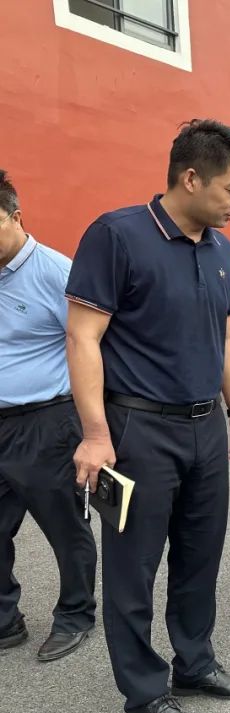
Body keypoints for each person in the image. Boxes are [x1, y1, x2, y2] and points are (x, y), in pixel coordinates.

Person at [66, 120, 230, 713]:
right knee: (133, 566)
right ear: (190, 177)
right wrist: (96, 434)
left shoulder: (222, 249)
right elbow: (83, 337)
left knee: (201, 553)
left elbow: (226, 335)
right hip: (136, 430)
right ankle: (145, 692)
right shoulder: (117, 236)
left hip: (206, 428)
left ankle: (196, 663)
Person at [0, 169, 97, 663]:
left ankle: (76, 614)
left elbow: (95, 348)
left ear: (16, 217)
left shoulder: (59, 273)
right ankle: (4, 619)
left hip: (45, 423)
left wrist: (97, 430)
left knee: (65, 527)